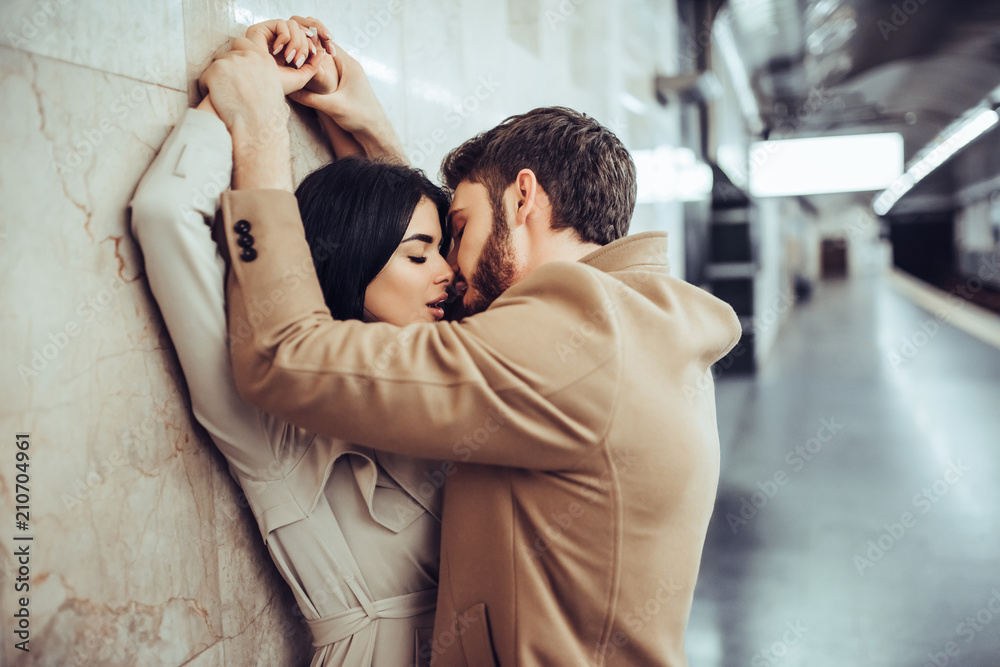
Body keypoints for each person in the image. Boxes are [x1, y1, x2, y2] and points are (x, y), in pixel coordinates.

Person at [202, 16, 742, 666]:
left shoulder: (580, 335)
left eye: (456, 229)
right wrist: (367, 125)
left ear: (523, 198)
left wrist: (259, 134)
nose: (449, 267)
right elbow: (473, 349)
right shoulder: (637, 318)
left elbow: (282, 358)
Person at [129, 19, 454, 666]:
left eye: (441, 250)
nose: (450, 272)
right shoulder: (277, 425)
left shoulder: (446, 372)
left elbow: (389, 232)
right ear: (355, 266)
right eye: (422, 257)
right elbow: (164, 213)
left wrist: (362, 123)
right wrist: (250, 116)